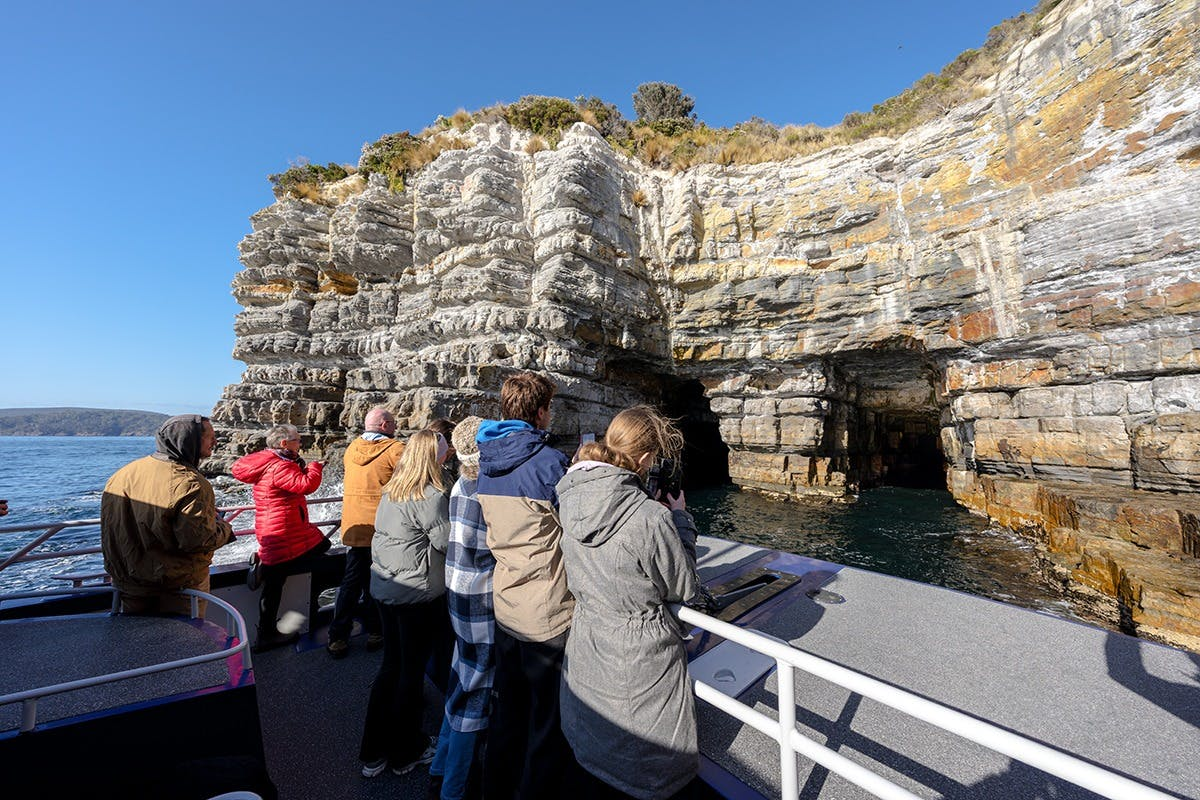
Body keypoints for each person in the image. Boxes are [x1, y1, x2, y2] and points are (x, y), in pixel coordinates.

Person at [556, 406, 701, 800]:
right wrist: (680, 520)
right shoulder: (650, 517)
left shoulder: (569, 498)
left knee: (598, 756)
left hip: (587, 648)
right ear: (646, 458)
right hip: (640, 662)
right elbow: (684, 587)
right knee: (644, 768)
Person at [475, 372, 573, 799]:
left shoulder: (486, 461)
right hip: (548, 616)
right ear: (540, 412)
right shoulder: (550, 463)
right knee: (548, 723)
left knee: (507, 713)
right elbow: (580, 532)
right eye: (549, 407)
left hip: (506, 607)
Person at [359, 429, 453, 778]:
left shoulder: (393, 489)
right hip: (416, 595)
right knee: (410, 675)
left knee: (391, 668)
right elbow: (446, 542)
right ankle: (406, 752)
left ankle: (373, 753)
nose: (448, 455)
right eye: (445, 451)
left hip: (387, 590)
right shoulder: (431, 495)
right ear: (434, 456)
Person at [101, 414, 234, 615]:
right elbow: (198, 540)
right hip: (177, 589)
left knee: (135, 635)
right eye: (211, 437)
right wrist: (223, 526)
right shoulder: (190, 483)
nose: (215, 442)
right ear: (191, 440)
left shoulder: (123, 474)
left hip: (129, 585)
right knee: (183, 636)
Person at [428, 416, 493, 800]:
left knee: (461, 680)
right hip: (479, 600)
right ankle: (454, 789)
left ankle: (439, 767)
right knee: (476, 693)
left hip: (458, 594)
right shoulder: (483, 492)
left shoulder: (458, 486)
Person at [231, 424, 327, 651]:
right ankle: (266, 635)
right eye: (297, 440)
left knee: (320, 545)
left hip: (279, 528)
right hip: (281, 532)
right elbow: (306, 485)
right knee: (274, 586)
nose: (301, 443)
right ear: (284, 443)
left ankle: (263, 565)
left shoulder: (273, 462)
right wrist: (315, 467)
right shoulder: (279, 466)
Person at [329, 406, 404, 659]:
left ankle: (338, 636)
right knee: (379, 581)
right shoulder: (396, 449)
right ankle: (376, 631)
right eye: (393, 423)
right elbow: (409, 481)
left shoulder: (352, 449)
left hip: (355, 527)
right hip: (383, 528)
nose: (395, 427)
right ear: (384, 425)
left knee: (351, 582)